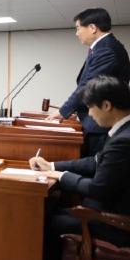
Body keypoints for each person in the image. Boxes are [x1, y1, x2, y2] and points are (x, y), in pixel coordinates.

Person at [30, 76, 130, 260]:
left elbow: (97, 189)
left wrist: (61, 176)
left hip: (118, 223)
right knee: (53, 212)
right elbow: (95, 162)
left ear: (107, 105)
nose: (89, 115)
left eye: (90, 108)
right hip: (111, 209)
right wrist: (52, 165)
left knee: (45, 222)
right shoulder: (123, 131)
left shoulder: (124, 140)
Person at [47, 8, 130, 155]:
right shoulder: (104, 47)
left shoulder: (106, 50)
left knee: (97, 164)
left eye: (78, 28)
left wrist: (62, 111)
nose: (77, 33)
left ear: (92, 28)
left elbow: (88, 86)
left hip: (101, 124)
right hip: (99, 122)